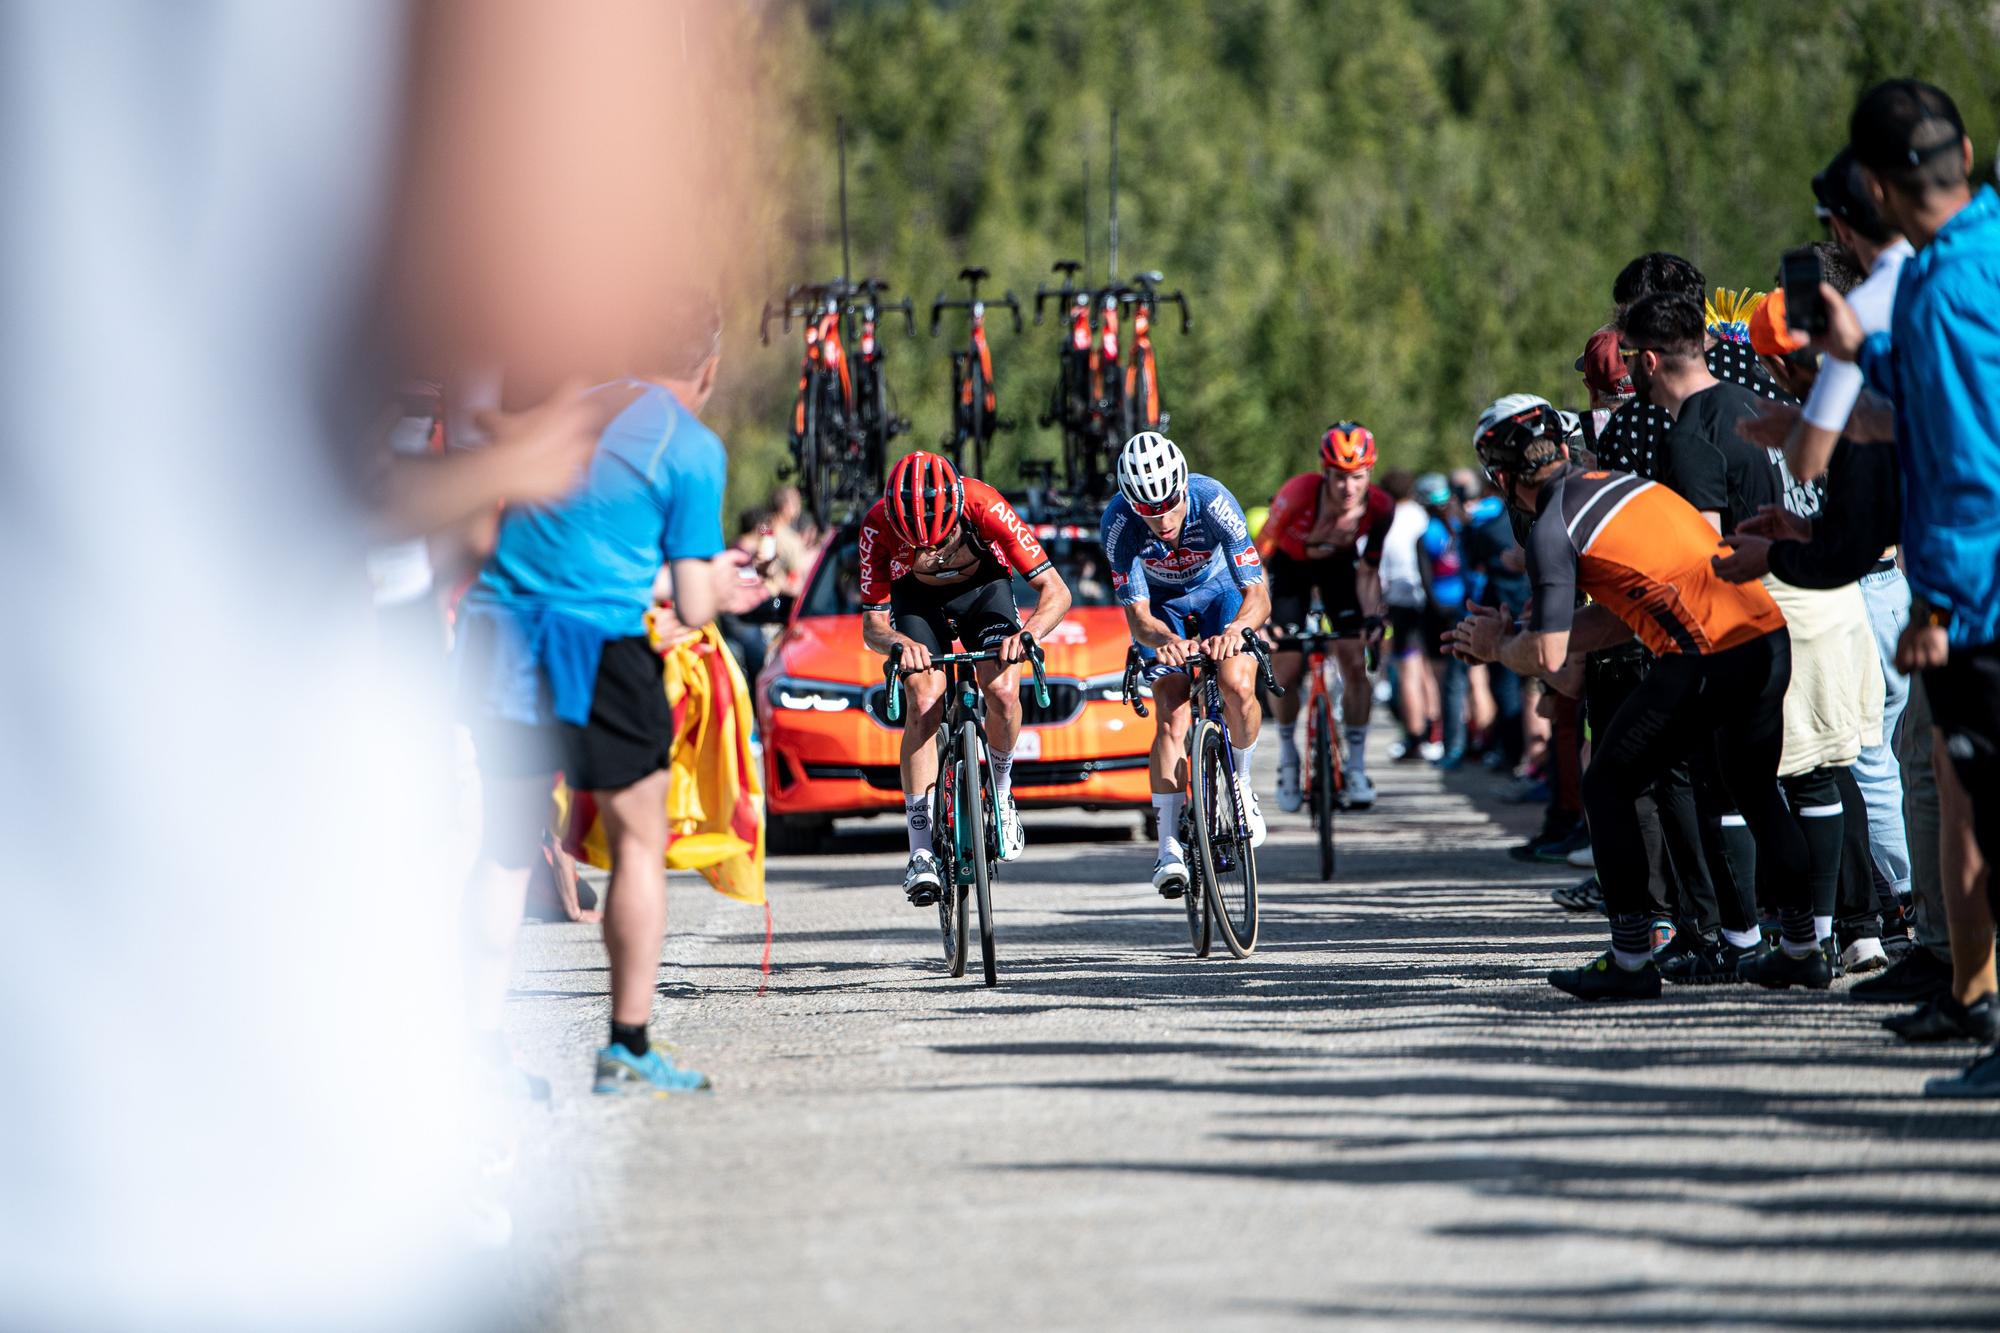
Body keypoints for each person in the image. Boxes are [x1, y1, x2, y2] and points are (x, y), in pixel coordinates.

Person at [456, 291, 740, 1098]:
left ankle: (476, 1054)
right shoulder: (690, 446)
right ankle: (627, 1041)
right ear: (708, 369)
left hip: (496, 628)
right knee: (639, 841)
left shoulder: (560, 408)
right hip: (596, 643)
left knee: (506, 847)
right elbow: (691, 607)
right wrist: (722, 582)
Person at [1448, 399, 1815, 1000]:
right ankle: (1803, 949)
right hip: (1765, 637)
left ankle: (1629, 960)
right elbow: (1622, 620)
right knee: (1753, 787)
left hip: (1708, 654)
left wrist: (1497, 644)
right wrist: (1518, 637)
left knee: (1607, 784)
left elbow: (1547, 657)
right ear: (1563, 448)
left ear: (1503, 479)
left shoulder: (1550, 525)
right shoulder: (1622, 485)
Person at [1810, 79, 2000, 1096]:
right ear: (1962, 151)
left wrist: (1935, 608)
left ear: (1877, 190)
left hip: (1977, 601)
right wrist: (1861, 358)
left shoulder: (1937, 286)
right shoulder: (1979, 255)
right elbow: (1938, 405)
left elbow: (1970, 468)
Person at [859, 451, 1072, 901]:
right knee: (923, 699)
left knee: (1002, 688)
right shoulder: (877, 525)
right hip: (917, 603)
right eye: (917, 546)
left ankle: (1001, 790)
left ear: (958, 510)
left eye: (940, 541)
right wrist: (898, 644)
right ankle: (919, 850)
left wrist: (1029, 634)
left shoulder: (984, 504)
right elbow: (873, 624)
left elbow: (1056, 590)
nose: (931, 554)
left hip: (983, 592)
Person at [1100, 431, 1273, 897]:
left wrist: (1236, 630)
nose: (1162, 519)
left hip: (1221, 592)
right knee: (1173, 713)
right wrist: (1169, 642)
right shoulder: (1118, 523)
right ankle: (1169, 845)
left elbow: (1258, 595)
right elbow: (1138, 618)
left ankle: (1241, 783)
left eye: (1170, 506)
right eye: (1148, 511)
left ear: (1182, 488)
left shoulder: (1212, 499)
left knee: (1237, 683)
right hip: (1163, 608)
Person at [1257, 422, 1392, 812]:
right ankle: (1286, 756)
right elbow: (1258, 558)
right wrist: (1261, 617)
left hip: (1339, 569)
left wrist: (1371, 619)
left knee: (1353, 660)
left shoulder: (1381, 507)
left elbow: (1368, 571)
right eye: (1338, 477)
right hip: (1289, 571)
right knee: (1284, 665)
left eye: (1358, 477)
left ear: (1370, 472)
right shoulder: (1298, 494)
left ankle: (1356, 765)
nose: (1348, 488)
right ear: (1324, 471)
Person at [1376, 467, 1436, 762]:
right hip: (1430, 598)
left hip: (1400, 602)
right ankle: (1436, 733)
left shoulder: (1385, 519)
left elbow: (1377, 565)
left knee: (1408, 670)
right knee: (1429, 669)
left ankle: (1415, 736)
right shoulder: (1421, 515)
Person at [1415, 472, 1471, 770]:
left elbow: (1426, 581)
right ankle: (1475, 740)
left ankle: (1453, 746)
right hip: (1467, 607)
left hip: (1439, 613)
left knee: (1447, 684)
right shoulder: (1463, 528)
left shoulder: (1426, 537)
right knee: (1473, 680)